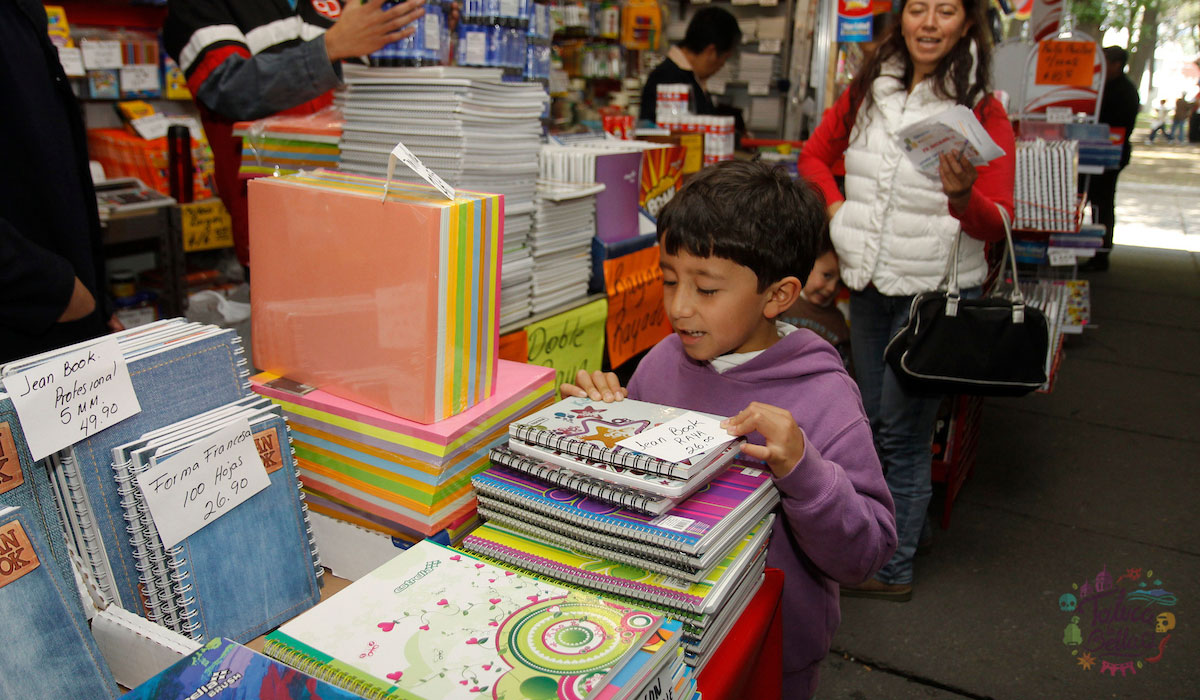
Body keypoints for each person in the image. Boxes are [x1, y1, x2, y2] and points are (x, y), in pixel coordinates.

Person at [562, 160, 898, 699]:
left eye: (707, 289)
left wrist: (805, 472)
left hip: (770, 651)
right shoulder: (658, 364)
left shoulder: (824, 396)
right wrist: (599, 427)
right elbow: (628, 499)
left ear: (779, 296)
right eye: (669, 279)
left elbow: (867, 553)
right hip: (654, 640)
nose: (678, 306)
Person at [798, 0, 1014, 599]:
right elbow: (814, 156)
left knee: (901, 433)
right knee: (865, 421)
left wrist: (962, 195)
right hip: (868, 285)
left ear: (967, 22)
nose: (929, 23)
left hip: (934, 299)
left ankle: (892, 567)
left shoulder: (983, 108)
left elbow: (997, 223)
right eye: (918, 8)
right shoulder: (869, 87)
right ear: (901, 18)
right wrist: (839, 216)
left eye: (946, 11)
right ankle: (869, 543)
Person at [163, 0, 428, 268]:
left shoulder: (340, 3)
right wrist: (329, 47)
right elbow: (229, 88)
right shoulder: (201, 6)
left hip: (365, 215)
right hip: (275, 228)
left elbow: (379, 93)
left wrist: (441, 35)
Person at [1, 0, 115, 362]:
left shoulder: (20, 14)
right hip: (25, 323)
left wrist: (98, 302)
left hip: (61, 330)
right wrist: (56, 291)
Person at [1082, 46, 1140, 272]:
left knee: (1102, 202)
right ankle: (1094, 248)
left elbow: (1115, 125)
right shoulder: (1106, 87)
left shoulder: (1123, 91)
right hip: (1100, 152)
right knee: (1096, 201)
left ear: (1116, 64)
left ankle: (1101, 251)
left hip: (1108, 154)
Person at [639, 6, 740, 124]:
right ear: (711, 52)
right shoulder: (667, 78)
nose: (722, 65)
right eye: (725, 58)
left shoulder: (692, 77)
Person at [778, 231, 853, 376]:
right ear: (808, 265)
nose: (831, 288)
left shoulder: (838, 321)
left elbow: (845, 369)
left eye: (840, 283)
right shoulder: (782, 303)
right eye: (827, 275)